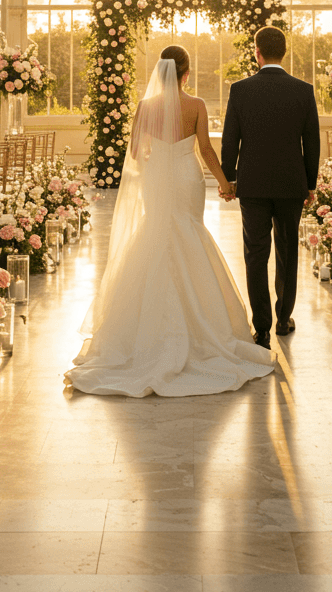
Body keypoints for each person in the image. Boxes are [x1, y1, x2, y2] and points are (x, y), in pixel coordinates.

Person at [65, 45, 275, 397]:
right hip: (186, 176)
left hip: (157, 177)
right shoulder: (196, 105)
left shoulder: (145, 107)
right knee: (188, 232)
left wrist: (154, 154)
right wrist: (225, 183)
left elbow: (134, 152)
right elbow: (206, 149)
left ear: (160, 70)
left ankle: (142, 333)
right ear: (186, 73)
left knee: (156, 232)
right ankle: (203, 328)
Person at [220, 26, 320, 349]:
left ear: (256, 52)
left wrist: (229, 178)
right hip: (292, 184)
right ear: (284, 52)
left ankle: (261, 327)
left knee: (255, 254)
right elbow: (312, 143)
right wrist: (310, 183)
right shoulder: (303, 90)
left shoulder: (240, 89)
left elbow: (229, 139)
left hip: (253, 185)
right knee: (288, 253)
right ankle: (283, 319)